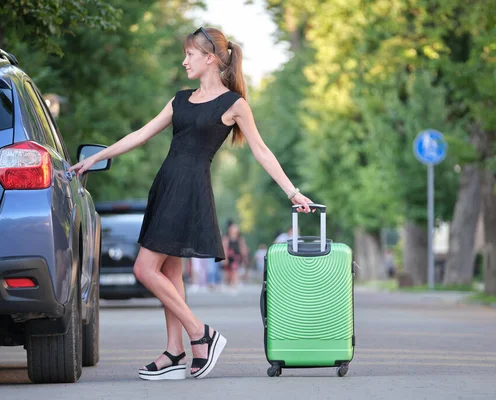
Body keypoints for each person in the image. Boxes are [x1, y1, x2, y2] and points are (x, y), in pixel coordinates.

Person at [69, 27, 313, 381]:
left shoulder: (234, 104)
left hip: (190, 190)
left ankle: (202, 334)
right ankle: (174, 350)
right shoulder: (181, 99)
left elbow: (261, 151)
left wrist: (293, 191)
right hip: (165, 186)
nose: (184, 61)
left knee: (143, 270)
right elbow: (141, 133)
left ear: (210, 58)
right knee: (169, 272)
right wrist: (96, 158)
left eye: (190, 55)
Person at [221, 221, 248, 290]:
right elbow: (224, 248)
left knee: (234, 270)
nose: (235, 229)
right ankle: (228, 284)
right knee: (228, 273)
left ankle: (234, 284)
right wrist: (224, 258)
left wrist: (245, 257)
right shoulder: (226, 238)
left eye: (236, 228)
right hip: (228, 256)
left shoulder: (239, 238)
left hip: (236, 257)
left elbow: (243, 248)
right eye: (234, 228)